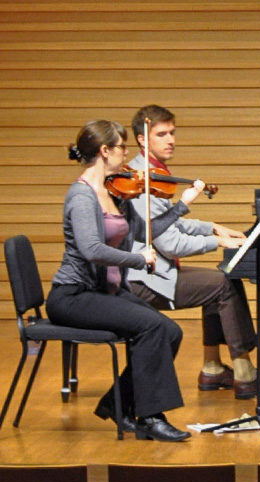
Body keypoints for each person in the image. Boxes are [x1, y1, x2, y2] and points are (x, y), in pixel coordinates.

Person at [46, 119, 204, 442]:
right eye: (122, 147)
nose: (127, 153)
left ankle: (117, 405)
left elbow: (144, 232)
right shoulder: (82, 196)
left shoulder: (114, 193)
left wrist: (182, 206)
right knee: (153, 327)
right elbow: (91, 250)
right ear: (105, 151)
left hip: (104, 292)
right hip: (73, 296)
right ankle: (150, 418)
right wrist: (138, 259)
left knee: (170, 331)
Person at [126, 104, 260, 400]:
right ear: (141, 138)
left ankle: (212, 367)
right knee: (223, 285)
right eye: (161, 134)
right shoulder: (139, 180)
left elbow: (169, 222)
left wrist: (212, 227)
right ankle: (244, 372)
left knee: (216, 280)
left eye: (172, 133)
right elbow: (169, 243)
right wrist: (219, 243)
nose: (170, 139)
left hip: (157, 272)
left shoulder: (154, 173)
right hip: (143, 281)